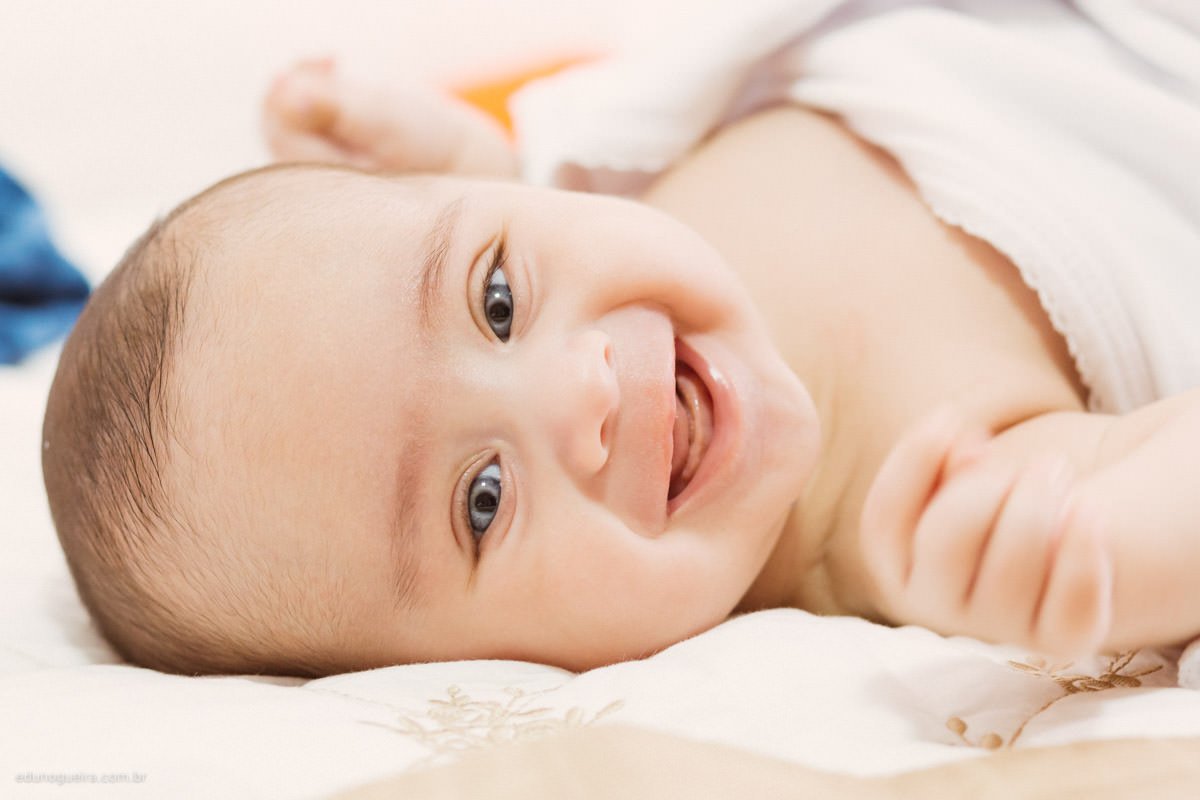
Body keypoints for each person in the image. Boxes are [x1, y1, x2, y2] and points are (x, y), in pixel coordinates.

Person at [41, 0, 1200, 677]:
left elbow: (564, 177)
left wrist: (477, 159)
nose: (578, 394)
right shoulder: (919, 519)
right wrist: (1087, 562)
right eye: (482, 499)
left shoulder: (610, 193)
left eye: (495, 301)